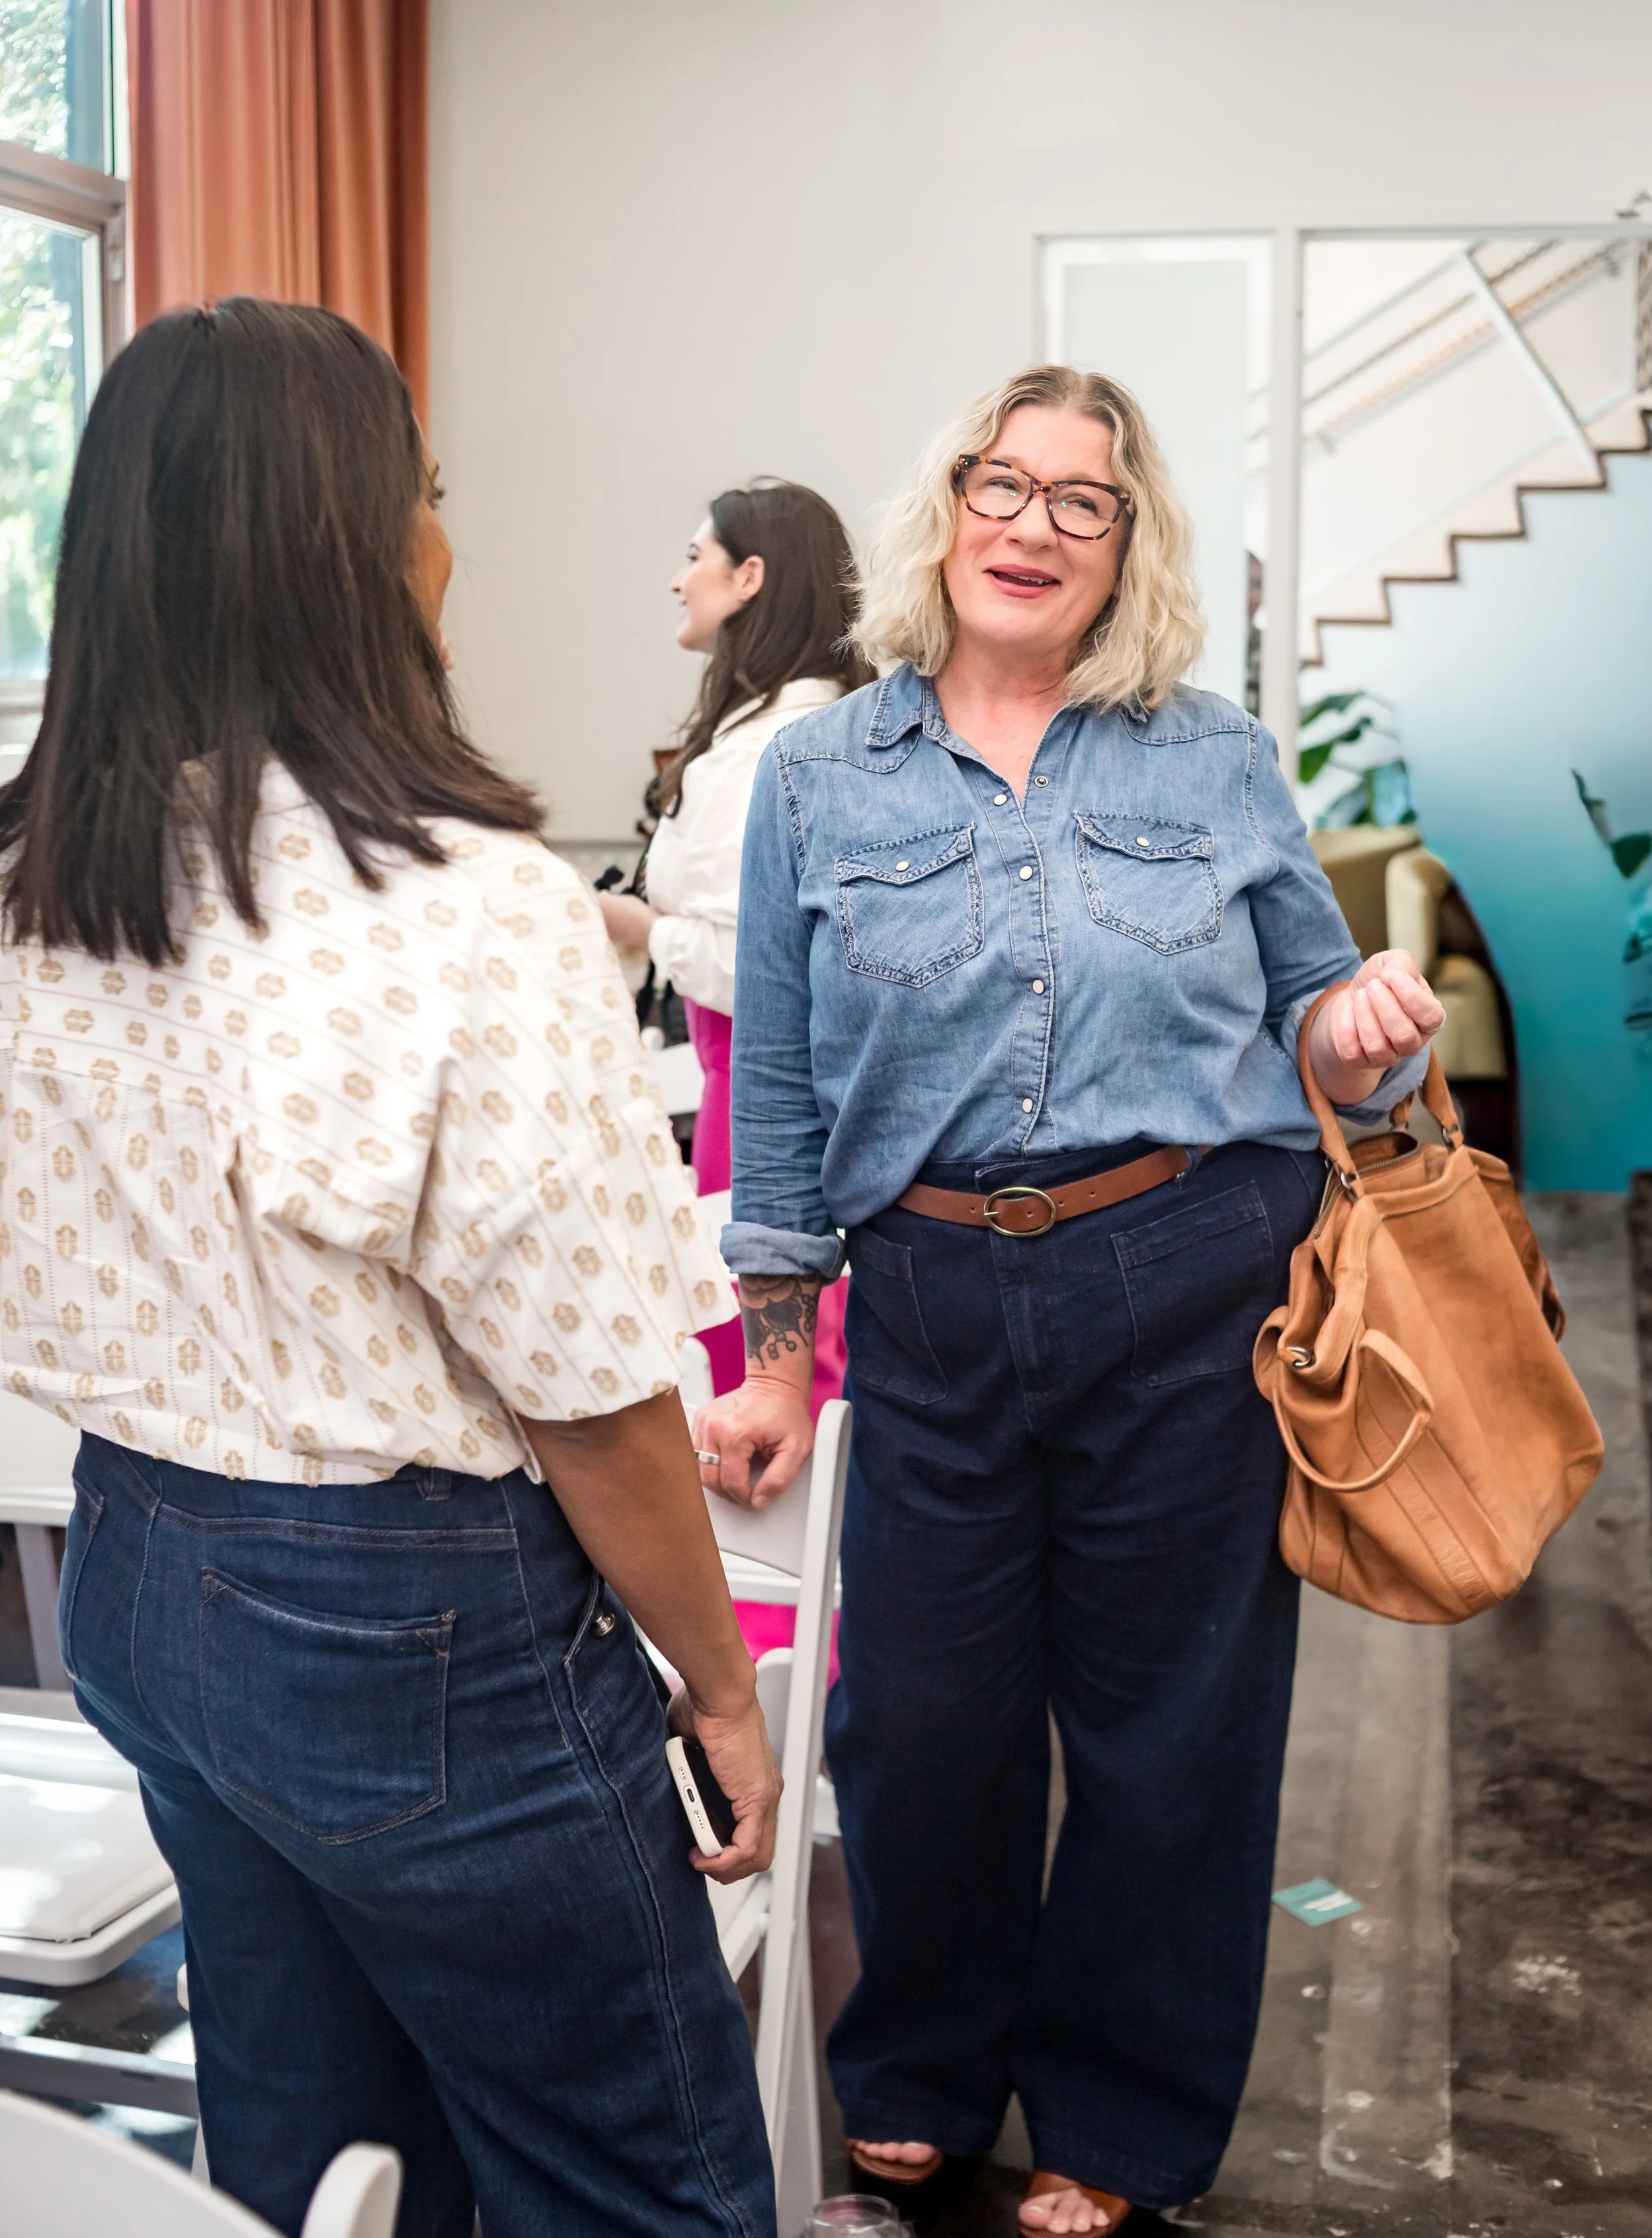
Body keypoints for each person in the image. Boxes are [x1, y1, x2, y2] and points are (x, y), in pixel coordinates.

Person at [0, 300, 779, 2238]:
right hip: (408, 1626)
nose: (447, 536)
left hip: (141, 1576)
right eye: (424, 495)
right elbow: (594, 1394)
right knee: (636, 2180)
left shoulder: (36, 877)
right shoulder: (466, 902)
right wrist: (721, 1685)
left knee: (315, 2161)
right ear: (351, 544)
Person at [695, 366, 1446, 2237]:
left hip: (1188, 1269)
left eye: (1079, 503)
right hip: (932, 1289)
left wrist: (1356, 1041)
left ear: (1128, 552)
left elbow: (1322, 1016)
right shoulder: (820, 771)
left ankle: (1120, 2106)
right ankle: (923, 2064)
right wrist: (776, 1354)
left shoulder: (1210, 754)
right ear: (943, 512)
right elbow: (774, 1092)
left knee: (1168, 1728)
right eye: (1000, 484)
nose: (1030, 523)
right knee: (923, 1722)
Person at [599, 485, 868, 1656]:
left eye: (693, 553)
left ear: (752, 575)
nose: (678, 576)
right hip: (806, 1104)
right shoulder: (838, 729)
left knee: (760, 1401)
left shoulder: (762, 752)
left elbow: (748, 965)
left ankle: (764, 1669)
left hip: (752, 1109)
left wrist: (630, 929)